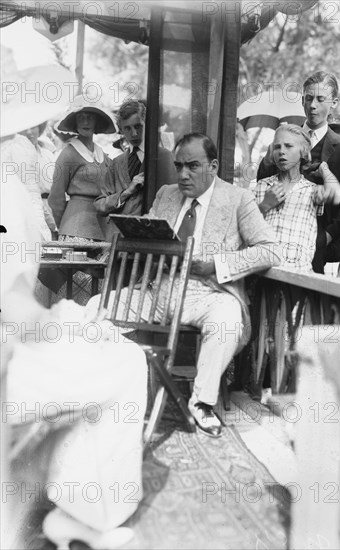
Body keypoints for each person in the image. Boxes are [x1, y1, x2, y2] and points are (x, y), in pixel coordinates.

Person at [1, 63, 148, 550]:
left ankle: (77, 506)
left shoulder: (17, 191)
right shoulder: (12, 197)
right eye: (29, 143)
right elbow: (17, 309)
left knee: (97, 336)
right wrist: (60, 322)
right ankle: (85, 511)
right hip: (11, 354)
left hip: (18, 333)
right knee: (124, 361)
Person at [88, 133, 281, 438]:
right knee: (95, 309)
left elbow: (270, 249)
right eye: (178, 166)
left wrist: (216, 265)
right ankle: (106, 392)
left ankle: (202, 402)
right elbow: (147, 230)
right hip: (157, 289)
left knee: (228, 322)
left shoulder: (237, 199)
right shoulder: (167, 194)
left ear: (213, 166)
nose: (182, 175)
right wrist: (145, 244)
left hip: (208, 294)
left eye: (192, 166)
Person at [257, 71, 340, 273]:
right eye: (308, 98)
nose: (312, 105)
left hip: (317, 245)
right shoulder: (283, 141)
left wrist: (327, 235)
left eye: (320, 99)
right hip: (272, 241)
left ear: (334, 103)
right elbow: (262, 182)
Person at [94, 99, 177, 236]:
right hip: (120, 241)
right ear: (121, 130)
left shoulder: (163, 157)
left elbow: (174, 200)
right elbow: (100, 205)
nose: (133, 133)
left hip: (153, 239)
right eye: (127, 128)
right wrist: (126, 193)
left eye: (138, 126)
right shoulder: (116, 163)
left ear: (147, 125)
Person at [254, 124, 326, 271]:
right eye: (277, 147)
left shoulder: (312, 191)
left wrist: (324, 173)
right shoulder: (263, 185)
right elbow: (246, 227)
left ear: (303, 152)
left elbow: (335, 195)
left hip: (298, 275)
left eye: (288, 146)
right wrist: (265, 205)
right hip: (264, 272)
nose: (281, 152)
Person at [49, 95, 116, 243]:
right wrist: (64, 226)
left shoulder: (103, 155)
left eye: (90, 117)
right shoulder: (68, 153)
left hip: (101, 226)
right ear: (75, 122)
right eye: (81, 117)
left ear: (96, 121)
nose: (86, 122)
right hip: (75, 227)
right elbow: (56, 197)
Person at [20, 122, 58, 238]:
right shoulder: (17, 156)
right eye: (25, 128)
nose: (29, 132)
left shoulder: (48, 155)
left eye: (33, 127)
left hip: (53, 207)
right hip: (29, 208)